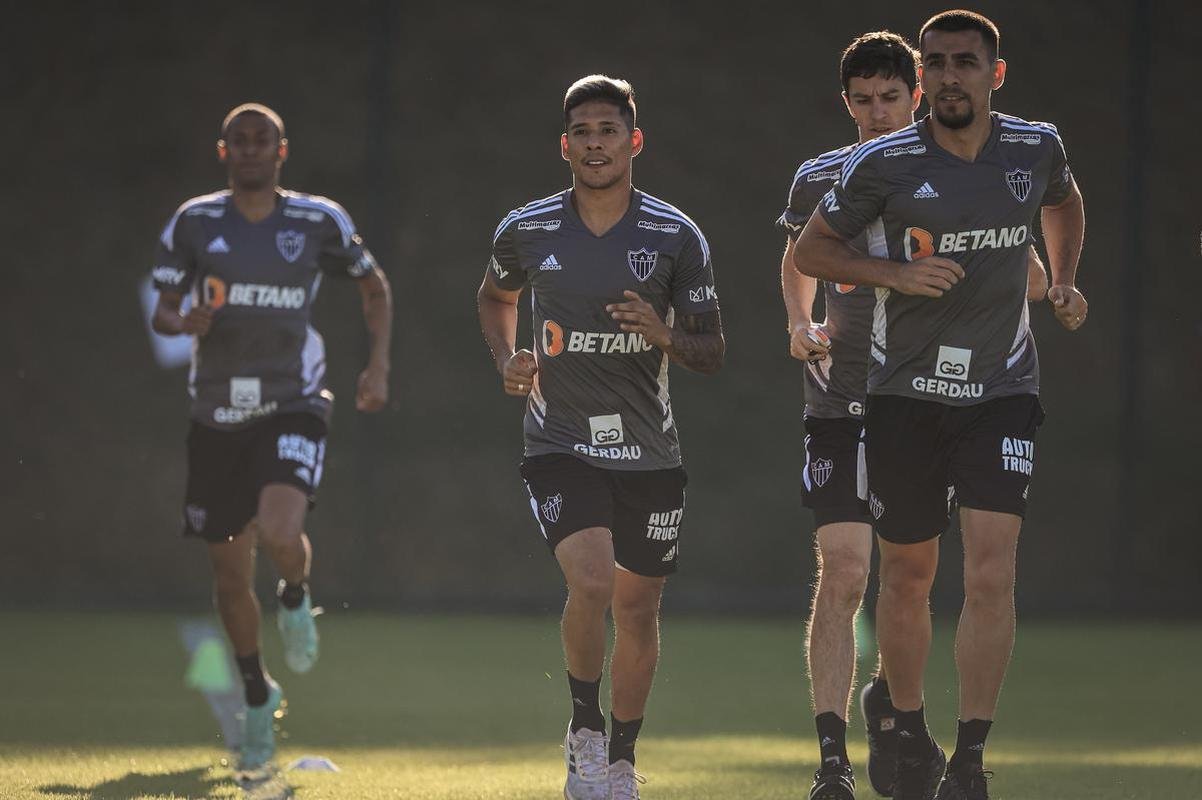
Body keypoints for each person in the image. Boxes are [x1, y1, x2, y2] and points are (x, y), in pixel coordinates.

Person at [793, 10, 1087, 800]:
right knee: (909, 576)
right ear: (923, 76)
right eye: (937, 63)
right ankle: (908, 724)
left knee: (992, 574)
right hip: (901, 398)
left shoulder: (1036, 147)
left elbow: (1064, 202)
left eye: (966, 61)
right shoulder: (885, 163)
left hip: (1002, 392)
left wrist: (1060, 277)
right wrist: (893, 277)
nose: (950, 74)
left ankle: (971, 760)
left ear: (995, 73)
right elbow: (809, 252)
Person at [477, 75, 724, 800]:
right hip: (560, 442)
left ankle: (621, 759)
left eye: (608, 131)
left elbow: (712, 352)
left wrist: (663, 333)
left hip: (651, 453)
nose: (594, 144)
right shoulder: (527, 228)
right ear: (564, 145)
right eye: (582, 132)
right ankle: (583, 732)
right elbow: (495, 296)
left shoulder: (675, 236)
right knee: (590, 580)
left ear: (633, 141)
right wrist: (508, 359)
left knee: (638, 608)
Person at [150, 103, 392, 776]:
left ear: (282, 150)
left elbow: (374, 286)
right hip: (216, 412)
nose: (252, 148)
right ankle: (258, 695)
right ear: (223, 150)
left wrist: (378, 365)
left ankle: (294, 596)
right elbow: (164, 307)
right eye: (239, 140)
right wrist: (184, 319)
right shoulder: (195, 221)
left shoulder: (318, 220)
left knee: (281, 530)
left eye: (264, 139)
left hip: (292, 400)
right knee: (230, 573)